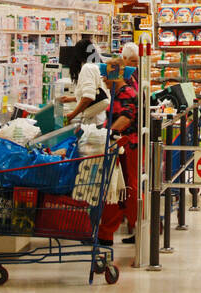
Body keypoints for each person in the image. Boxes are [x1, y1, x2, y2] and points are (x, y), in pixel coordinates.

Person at [105, 60, 142, 243]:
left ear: (114, 75)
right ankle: (134, 227)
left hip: (129, 145)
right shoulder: (118, 92)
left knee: (130, 187)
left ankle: (139, 228)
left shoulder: (126, 93)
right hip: (123, 145)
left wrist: (108, 132)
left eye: (105, 75)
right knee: (125, 187)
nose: (103, 79)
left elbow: (126, 117)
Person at [60, 38, 108, 123]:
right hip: (100, 118)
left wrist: (71, 115)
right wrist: (71, 99)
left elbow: (88, 98)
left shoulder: (87, 67)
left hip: (92, 120)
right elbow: (94, 93)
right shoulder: (97, 65)